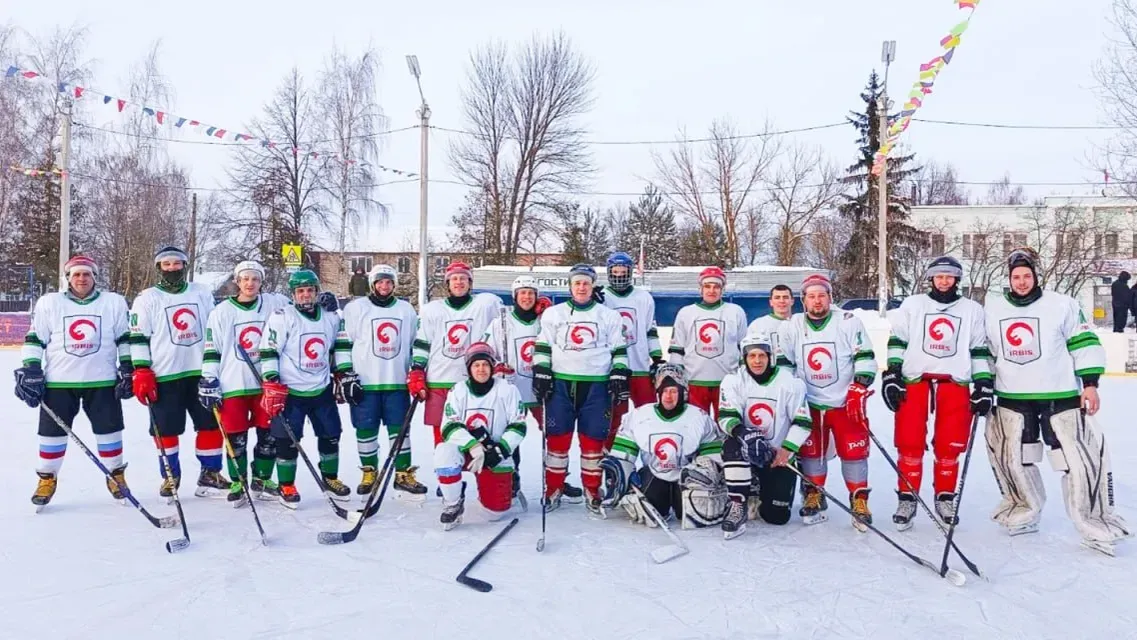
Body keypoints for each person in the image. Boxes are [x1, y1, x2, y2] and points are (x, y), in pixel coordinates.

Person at [984, 247, 1129, 555]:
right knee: (1017, 457)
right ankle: (1023, 510)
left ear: (1036, 276)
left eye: (1026, 276)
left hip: (1059, 395)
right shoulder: (993, 309)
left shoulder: (1062, 305)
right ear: (1008, 279)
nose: (1021, 282)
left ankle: (1094, 522)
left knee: (1073, 461)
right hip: (1012, 396)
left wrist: (1089, 384)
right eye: (1016, 277)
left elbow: (1084, 342)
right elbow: (986, 351)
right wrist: (983, 383)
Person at [882, 256, 991, 529]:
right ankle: (907, 497)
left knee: (950, 444)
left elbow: (978, 349)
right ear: (930, 278)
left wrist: (983, 384)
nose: (944, 281)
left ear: (957, 279)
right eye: (939, 276)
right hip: (915, 380)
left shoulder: (972, 309)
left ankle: (944, 496)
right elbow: (898, 339)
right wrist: (893, 373)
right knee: (909, 442)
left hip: (954, 382)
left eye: (949, 276)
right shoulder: (913, 304)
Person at [16, 256, 133, 508]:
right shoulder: (51, 303)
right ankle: (47, 479)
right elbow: (36, 338)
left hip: (102, 381)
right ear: (68, 278)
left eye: (87, 274)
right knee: (51, 435)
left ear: (94, 277)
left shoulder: (112, 303)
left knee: (110, 431)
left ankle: (116, 476)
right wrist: (31, 368)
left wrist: (127, 366)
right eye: (76, 274)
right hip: (60, 383)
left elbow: (124, 337)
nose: (81, 279)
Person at [778, 273, 876, 529]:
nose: (817, 300)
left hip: (845, 402)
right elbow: (784, 364)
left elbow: (864, 356)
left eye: (822, 295)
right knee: (810, 452)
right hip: (809, 404)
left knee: (853, 452)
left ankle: (859, 499)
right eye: (811, 296)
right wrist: (790, 394)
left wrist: (859, 386)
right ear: (803, 300)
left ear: (830, 297)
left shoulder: (847, 321)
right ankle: (814, 494)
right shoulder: (792, 325)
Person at [130, 246, 228, 499]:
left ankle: (210, 472)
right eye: (166, 264)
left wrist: (217, 365)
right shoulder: (147, 298)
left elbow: (214, 328)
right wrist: (141, 370)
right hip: (165, 375)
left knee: (210, 424)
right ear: (159, 268)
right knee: (165, 429)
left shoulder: (201, 292)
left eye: (177, 264)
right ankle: (170, 475)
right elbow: (139, 336)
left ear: (185, 266)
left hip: (200, 372)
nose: (172, 268)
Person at [258, 269, 361, 506]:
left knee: (331, 434)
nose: (305, 295)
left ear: (317, 292)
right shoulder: (282, 316)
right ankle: (286, 485)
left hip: (321, 388)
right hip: (290, 390)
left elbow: (341, 345)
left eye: (310, 290)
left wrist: (343, 372)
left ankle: (330, 478)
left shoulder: (331, 317)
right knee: (287, 440)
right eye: (300, 291)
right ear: (293, 294)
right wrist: (271, 378)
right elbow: (270, 349)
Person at [533, 263, 629, 514]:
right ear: (570, 286)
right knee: (557, 441)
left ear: (593, 285)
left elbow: (619, 348)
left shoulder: (608, 316)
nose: (582, 287)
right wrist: (541, 370)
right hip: (562, 384)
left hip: (596, 386)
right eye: (577, 282)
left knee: (593, 442)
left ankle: (592, 490)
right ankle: (553, 489)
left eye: (586, 282)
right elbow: (543, 344)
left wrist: (619, 372)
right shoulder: (554, 314)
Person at [199, 260, 288, 505]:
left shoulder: (275, 304)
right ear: (237, 282)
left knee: (268, 434)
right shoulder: (221, 312)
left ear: (261, 282)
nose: (250, 283)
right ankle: (239, 480)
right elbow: (212, 349)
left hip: (266, 385)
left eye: (255, 279)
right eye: (245, 279)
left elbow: (300, 309)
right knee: (235, 437)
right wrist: (209, 378)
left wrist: (325, 305)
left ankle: (262, 479)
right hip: (233, 383)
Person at [598, 363, 724, 527]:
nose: (668, 396)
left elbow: (712, 459)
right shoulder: (639, 416)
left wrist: (702, 474)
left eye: (673, 391)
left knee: (690, 513)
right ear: (657, 392)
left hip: (686, 478)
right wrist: (625, 479)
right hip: (654, 475)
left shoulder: (699, 417)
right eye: (664, 391)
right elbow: (622, 457)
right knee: (654, 509)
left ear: (683, 392)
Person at [341, 264, 426, 499]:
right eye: (380, 282)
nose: (384, 286)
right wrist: (347, 373)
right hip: (365, 383)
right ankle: (370, 472)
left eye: (388, 282)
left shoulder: (405, 309)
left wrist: (417, 369)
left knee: (400, 430)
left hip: (396, 382)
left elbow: (415, 342)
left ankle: (402, 473)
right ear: (372, 284)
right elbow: (343, 343)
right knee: (365, 429)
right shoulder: (356, 308)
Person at [717, 332, 812, 539]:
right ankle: (738, 503)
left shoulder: (790, 383)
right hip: (746, 449)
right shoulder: (733, 380)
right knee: (731, 444)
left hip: (777, 456)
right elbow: (726, 417)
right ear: (745, 358)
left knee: (777, 516)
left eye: (762, 355)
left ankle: (757, 487)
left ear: (771, 357)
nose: (757, 361)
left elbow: (803, 423)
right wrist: (744, 434)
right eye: (752, 356)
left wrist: (786, 450)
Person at [409, 261, 504, 448]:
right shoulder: (432, 309)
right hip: (438, 380)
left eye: (463, 278)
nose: (458, 282)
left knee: (476, 433)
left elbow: (506, 325)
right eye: (454, 279)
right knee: (443, 438)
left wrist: (534, 312)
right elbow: (422, 342)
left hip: (473, 381)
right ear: (448, 284)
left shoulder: (486, 303)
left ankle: (482, 475)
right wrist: (417, 370)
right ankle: (449, 476)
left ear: (470, 283)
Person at [433, 342, 527, 529]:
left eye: (485, 364)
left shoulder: (507, 390)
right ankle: (453, 503)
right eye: (476, 365)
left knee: (494, 514)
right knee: (444, 452)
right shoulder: (458, 390)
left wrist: (499, 451)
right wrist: (473, 446)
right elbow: (449, 425)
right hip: (468, 452)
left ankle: (509, 482)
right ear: (469, 368)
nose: (481, 369)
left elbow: (518, 425)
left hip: (496, 451)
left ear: (492, 366)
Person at [481, 275, 555, 502]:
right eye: (522, 293)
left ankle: (555, 481)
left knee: (553, 435)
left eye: (531, 293)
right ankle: (513, 475)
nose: (527, 297)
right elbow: (485, 349)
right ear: (515, 296)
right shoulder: (500, 322)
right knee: (511, 435)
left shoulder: (546, 320)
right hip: (513, 388)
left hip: (542, 387)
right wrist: (495, 366)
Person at [599, 252, 663, 451]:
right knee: (614, 419)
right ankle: (610, 457)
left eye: (623, 271)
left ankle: (652, 455)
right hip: (613, 370)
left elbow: (649, 329)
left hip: (640, 367)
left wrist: (657, 358)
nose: (619, 276)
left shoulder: (644, 297)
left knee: (649, 414)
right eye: (615, 272)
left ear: (630, 272)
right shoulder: (602, 297)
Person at [668, 266, 748, 418]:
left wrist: (743, 378)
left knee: (727, 428)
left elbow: (744, 348)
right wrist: (677, 382)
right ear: (700, 288)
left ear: (722, 289)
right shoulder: (686, 313)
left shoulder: (736, 312)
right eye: (707, 286)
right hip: (694, 382)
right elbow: (677, 349)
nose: (712, 290)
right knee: (696, 428)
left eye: (716, 286)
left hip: (727, 383)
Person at [746, 283, 794, 361]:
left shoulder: (800, 323)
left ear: (792, 301)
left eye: (785, 297)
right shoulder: (757, 325)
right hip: (770, 372)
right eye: (777, 297)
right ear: (771, 302)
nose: (782, 301)